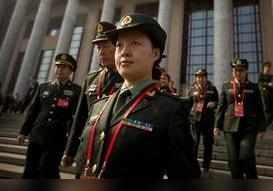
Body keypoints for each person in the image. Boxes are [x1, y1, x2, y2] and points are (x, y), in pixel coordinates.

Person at [75, 14, 200, 179]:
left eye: (135, 43)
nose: (124, 52)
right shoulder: (99, 106)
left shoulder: (171, 111)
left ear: (155, 54)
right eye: (119, 45)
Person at [62, 22, 123, 170]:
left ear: (117, 47)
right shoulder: (91, 78)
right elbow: (80, 117)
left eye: (106, 46)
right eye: (98, 47)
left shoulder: (127, 77)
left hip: (114, 151)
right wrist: (70, 151)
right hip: (87, 151)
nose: (101, 52)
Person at [17, 53, 81, 178]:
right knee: (30, 170)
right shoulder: (43, 87)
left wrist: (71, 147)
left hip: (57, 139)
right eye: (57, 66)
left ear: (71, 71)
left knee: (47, 170)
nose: (59, 69)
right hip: (37, 136)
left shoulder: (76, 91)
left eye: (64, 67)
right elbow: (33, 112)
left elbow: (76, 120)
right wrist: (23, 132)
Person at [214, 58, 266, 179]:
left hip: (249, 127)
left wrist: (262, 127)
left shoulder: (254, 87)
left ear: (246, 71)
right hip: (229, 127)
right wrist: (217, 125)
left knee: (246, 155)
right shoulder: (226, 86)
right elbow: (221, 107)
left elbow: (259, 108)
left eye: (241, 70)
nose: (238, 73)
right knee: (233, 160)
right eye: (235, 70)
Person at [189, 69, 218, 177]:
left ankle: (206, 167)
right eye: (198, 77)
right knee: (194, 144)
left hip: (208, 120)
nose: (200, 79)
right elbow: (188, 103)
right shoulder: (192, 89)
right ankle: (193, 166)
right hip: (195, 120)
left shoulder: (212, 89)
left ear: (206, 77)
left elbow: (218, 102)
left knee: (208, 144)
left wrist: (214, 104)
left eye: (202, 76)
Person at [258, 62, 273, 128]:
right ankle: (267, 124)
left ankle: (269, 124)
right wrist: (267, 84)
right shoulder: (261, 76)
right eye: (266, 67)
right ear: (264, 68)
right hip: (265, 96)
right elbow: (259, 85)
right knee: (267, 110)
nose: (268, 69)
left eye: (269, 67)